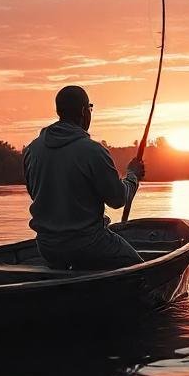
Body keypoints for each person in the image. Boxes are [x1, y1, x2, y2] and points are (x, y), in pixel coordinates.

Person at [23, 85, 146, 270]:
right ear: (83, 111)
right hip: (90, 245)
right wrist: (132, 175)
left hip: (48, 248)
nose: (90, 112)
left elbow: (35, 194)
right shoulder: (93, 151)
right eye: (90, 107)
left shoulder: (32, 150)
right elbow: (118, 199)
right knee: (138, 268)